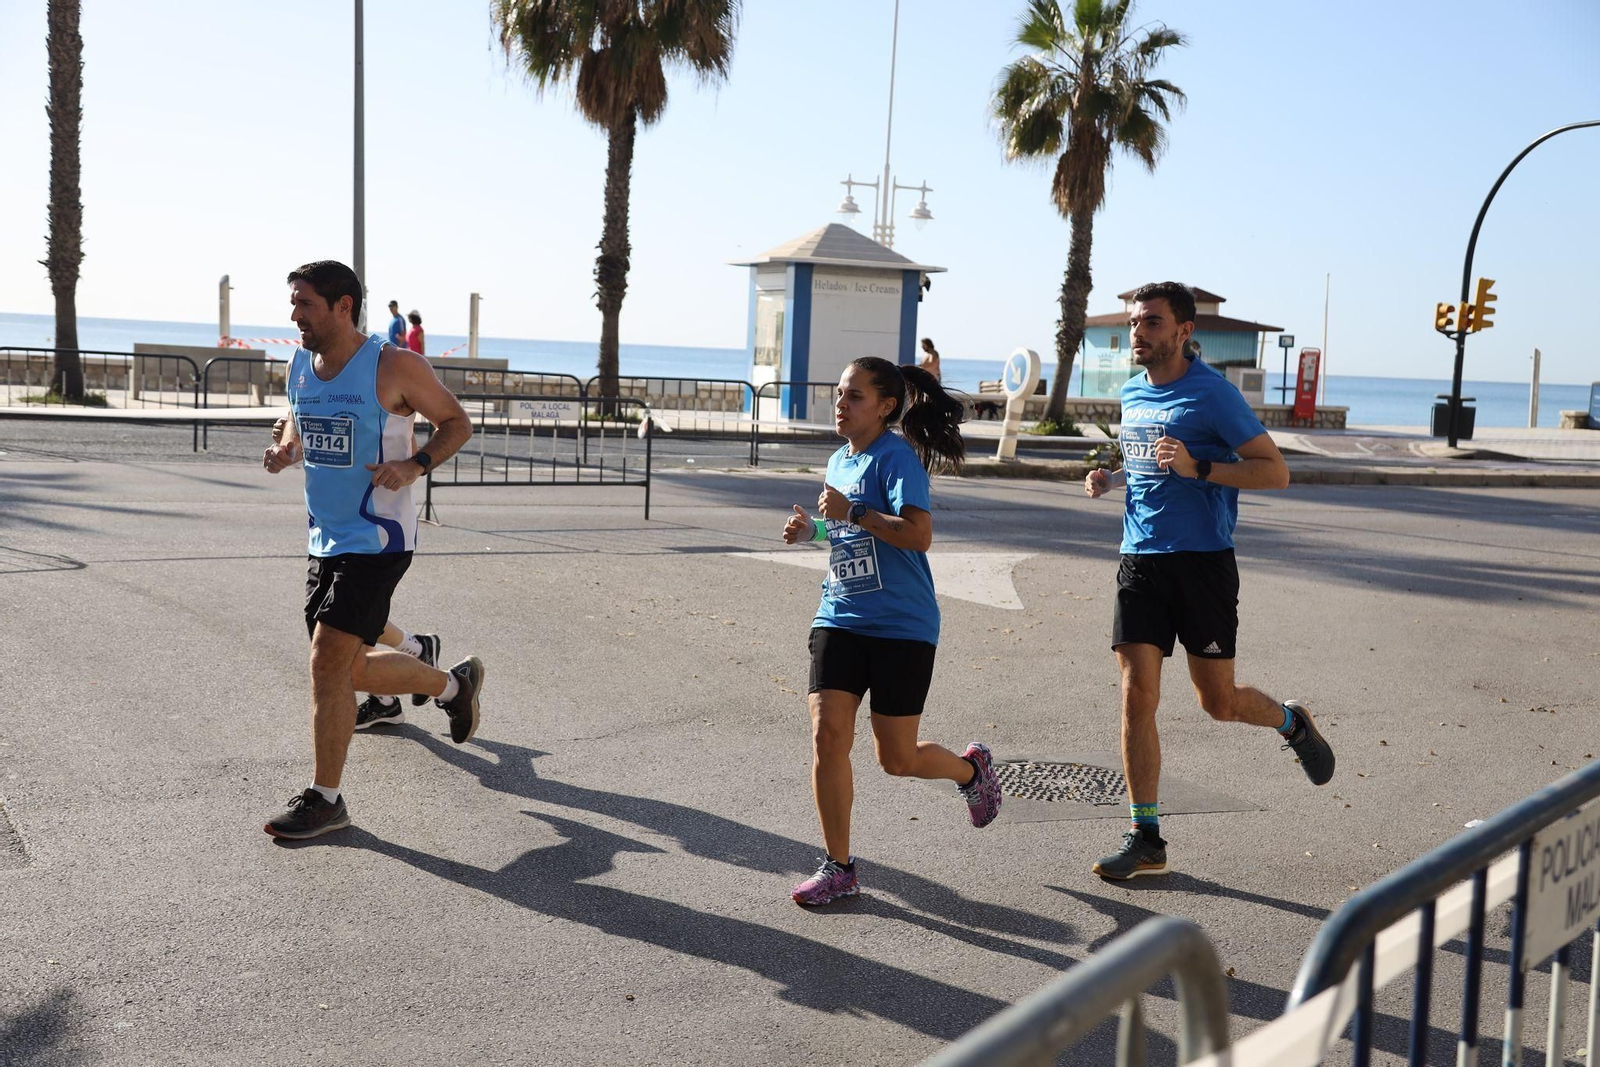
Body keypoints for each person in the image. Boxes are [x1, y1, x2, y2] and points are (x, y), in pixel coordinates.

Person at [1083, 281, 1334, 880]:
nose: (1138, 332)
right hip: (1140, 560)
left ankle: (1292, 723)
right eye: (1134, 322)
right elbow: (1147, 462)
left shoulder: (1214, 394)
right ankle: (1147, 837)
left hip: (1202, 564)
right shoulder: (1133, 392)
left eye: (1151, 322)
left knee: (1217, 702)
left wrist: (1200, 467)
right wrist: (1112, 479)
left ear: (1183, 331)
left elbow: (1275, 472)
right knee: (1136, 694)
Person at [261, 260, 483, 840]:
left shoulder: (393, 365)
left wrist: (415, 465)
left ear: (343, 306)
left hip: (378, 539)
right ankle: (452, 685)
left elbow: (456, 422)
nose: (294, 314)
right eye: (293, 302)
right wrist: (287, 448)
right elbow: (296, 416)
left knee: (326, 663)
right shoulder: (299, 364)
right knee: (350, 670)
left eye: (305, 303)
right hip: (324, 537)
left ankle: (325, 799)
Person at [781, 356, 1002, 907]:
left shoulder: (897, 457)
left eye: (854, 396)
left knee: (897, 760)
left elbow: (918, 534)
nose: (841, 403)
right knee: (827, 735)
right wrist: (813, 531)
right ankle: (839, 867)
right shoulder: (838, 460)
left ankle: (970, 771)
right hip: (840, 615)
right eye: (839, 393)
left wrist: (854, 512)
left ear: (885, 406)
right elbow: (844, 531)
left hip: (902, 625)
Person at [271, 413, 441, 729]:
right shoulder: (305, 379)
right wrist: (289, 442)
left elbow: (427, 435)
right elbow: (298, 421)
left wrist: (413, 464)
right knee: (339, 623)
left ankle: (451, 686)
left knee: (338, 637)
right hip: (326, 530)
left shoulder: (385, 381)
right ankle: (409, 661)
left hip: (375, 533)